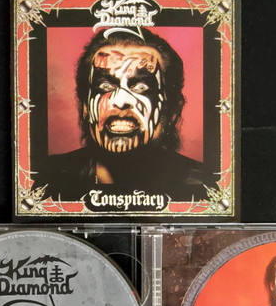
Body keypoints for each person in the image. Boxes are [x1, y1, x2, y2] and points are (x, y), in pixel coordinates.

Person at [43, 29, 214, 197]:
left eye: (141, 87)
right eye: (105, 86)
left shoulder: (204, 186)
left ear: (171, 110)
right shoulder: (48, 179)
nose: (120, 100)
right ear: (86, 107)